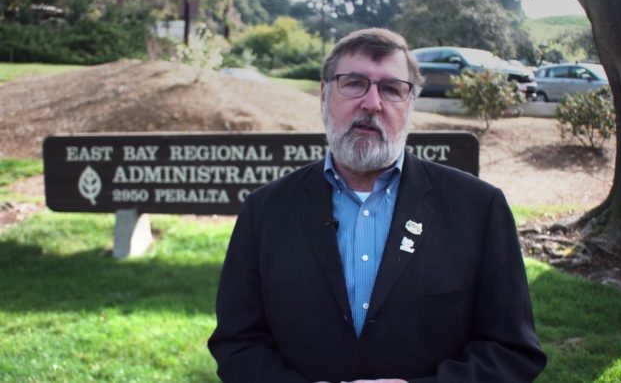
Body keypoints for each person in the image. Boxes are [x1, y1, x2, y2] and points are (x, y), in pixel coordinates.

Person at [208, 28, 547, 382]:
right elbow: (238, 343)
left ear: (411, 103)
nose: (372, 103)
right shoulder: (263, 212)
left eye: (391, 89)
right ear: (324, 94)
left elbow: (511, 350)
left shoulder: (479, 209)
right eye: (354, 83)